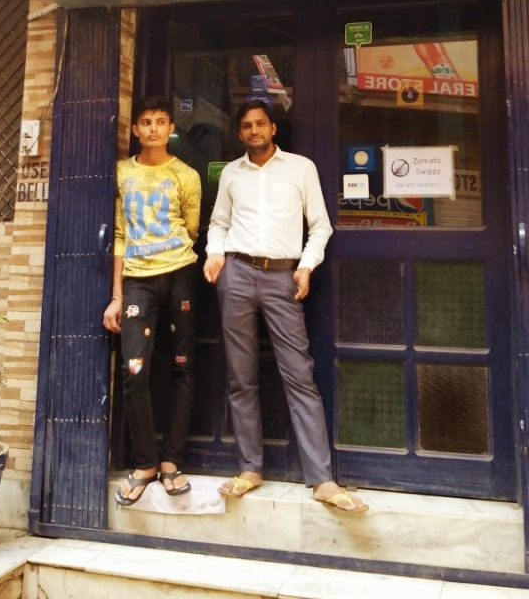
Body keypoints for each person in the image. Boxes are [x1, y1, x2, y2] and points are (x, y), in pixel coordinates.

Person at [203, 99, 368, 515]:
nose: (254, 131)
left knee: (299, 375)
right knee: (241, 376)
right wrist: (215, 254)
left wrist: (306, 266)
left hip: (283, 277)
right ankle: (249, 469)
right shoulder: (232, 174)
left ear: (273, 128)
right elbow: (219, 223)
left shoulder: (300, 168)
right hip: (236, 274)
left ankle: (322, 479)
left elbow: (321, 225)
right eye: (246, 126)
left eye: (260, 124)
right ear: (240, 132)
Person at [104, 96, 202, 504]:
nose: (154, 129)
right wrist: (117, 295)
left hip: (180, 274)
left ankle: (171, 460)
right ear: (135, 130)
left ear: (170, 128)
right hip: (137, 281)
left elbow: (191, 229)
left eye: (161, 122)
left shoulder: (187, 175)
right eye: (146, 122)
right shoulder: (121, 172)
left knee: (183, 366)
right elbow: (120, 235)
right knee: (134, 370)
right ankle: (145, 461)